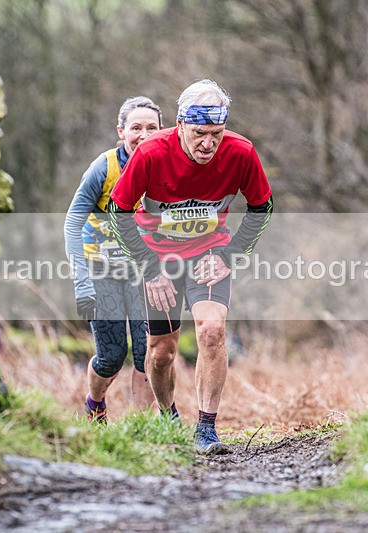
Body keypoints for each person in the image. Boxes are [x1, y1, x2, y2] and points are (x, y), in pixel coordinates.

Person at [108, 79, 274, 453]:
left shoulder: (241, 153)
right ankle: (168, 416)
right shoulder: (151, 153)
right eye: (200, 133)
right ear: (181, 125)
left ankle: (206, 428)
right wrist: (149, 268)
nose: (208, 143)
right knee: (161, 352)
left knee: (212, 331)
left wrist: (230, 255)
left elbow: (263, 207)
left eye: (216, 134)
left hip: (208, 254)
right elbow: (117, 213)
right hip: (158, 258)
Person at [64, 96, 162, 422]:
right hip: (100, 270)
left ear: (163, 131)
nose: (144, 134)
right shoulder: (103, 168)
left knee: (146, 353)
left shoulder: (167, 167)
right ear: (121, 131)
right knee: (111, 357)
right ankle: (95, 403)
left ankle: (143, 428)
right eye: (136, 127)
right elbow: (71, 224)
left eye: (152, 127)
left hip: (143, 272)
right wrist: (82, 284)